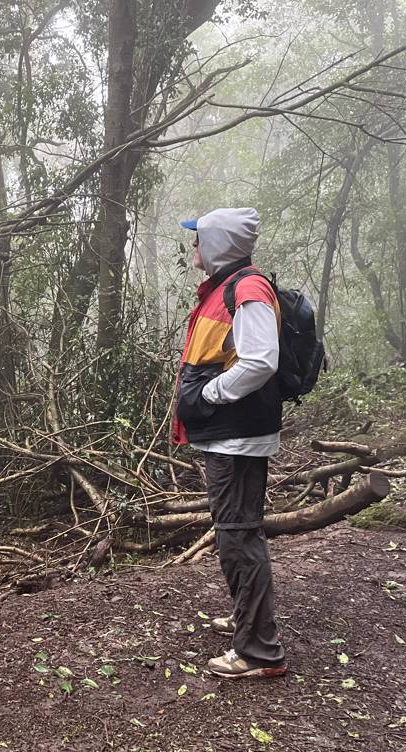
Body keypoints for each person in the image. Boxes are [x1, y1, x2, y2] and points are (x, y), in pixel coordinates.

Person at [171, 207, 287, 680]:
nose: (194, 246)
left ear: (218, 243)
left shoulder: (247, 289)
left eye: (199, 237)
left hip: (237, 438)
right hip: (229, 436)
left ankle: (259, 651)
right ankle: (248, 622)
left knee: (238, 537)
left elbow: (260, 361)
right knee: (235, 534)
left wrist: (209, 396)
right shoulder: (227, 287)